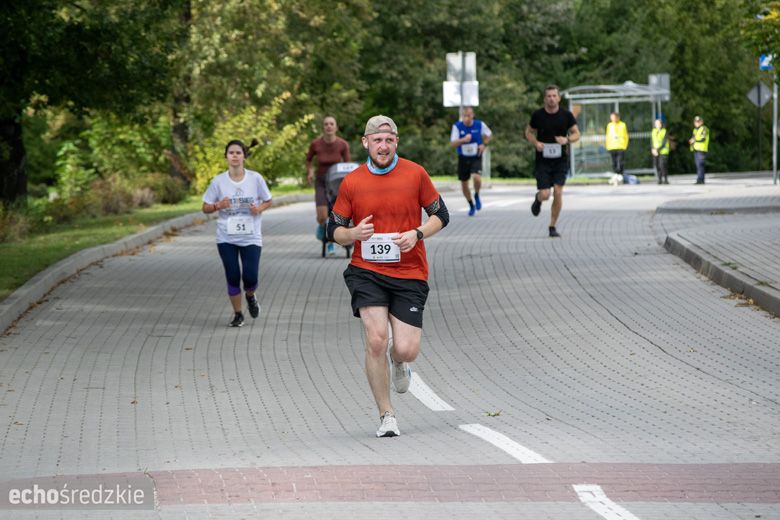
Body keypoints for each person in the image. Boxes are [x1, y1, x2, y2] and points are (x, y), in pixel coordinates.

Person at [328, 115, 450, 438]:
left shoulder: (415, 174)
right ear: (365, 143)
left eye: (389, 140)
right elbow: (334, 230)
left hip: (409, 271)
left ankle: (400, 362)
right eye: (377, 140)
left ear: (397, 142)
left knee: (407, 348)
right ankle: (387, 415)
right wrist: (353, 233)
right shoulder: (352, 182)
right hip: (366, 272)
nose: (383, 146)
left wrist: (417, 233)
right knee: (376, 339)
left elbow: (441, 215)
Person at [202, 140, 273, 327]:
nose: (234, 156)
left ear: (244, 156)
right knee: (232, 275)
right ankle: (238, 314)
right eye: (231, 152)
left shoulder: (255, 178)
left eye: (238, 152)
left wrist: (258, 209)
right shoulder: (218, 181)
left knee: (250, 277)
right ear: (226, 156)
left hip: (251, 236)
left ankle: (250, 295)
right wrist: (218, 205)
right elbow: (205, 207)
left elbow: (268, 200)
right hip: (226, 237)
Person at [525, 85, 580, 238]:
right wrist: (536, 143)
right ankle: (538, 199)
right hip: (542, 160)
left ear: (559, 98)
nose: (551, 99)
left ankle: (552, 226)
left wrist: (567, 139)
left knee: (557, 191)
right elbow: (528, 132)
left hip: (560, 160)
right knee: (545, 194)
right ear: (545, 99)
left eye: (554, 96)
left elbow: (577, 134)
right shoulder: (538, 115)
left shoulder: (566, 116)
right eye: (548, 96)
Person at [305, 116, 351, 254]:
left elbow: (348, 165)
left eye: (332, 124)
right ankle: (321, 227)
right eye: (326, 124)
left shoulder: (342, 144)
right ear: (323, 127)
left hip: (337, 183)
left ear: (336, 127)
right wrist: (310, 172)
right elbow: (308, 160)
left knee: (337, 215)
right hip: (321, 181)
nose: (329, 126)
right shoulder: (316, 144)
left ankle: (331, 242)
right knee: (322, 215)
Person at [450, 106, 492, 216]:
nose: (467, 118)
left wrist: (484, 144)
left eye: (469, 115)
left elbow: (489, 135)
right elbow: (453, 143)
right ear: (462, 116)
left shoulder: (479, 124)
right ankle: (471, 204)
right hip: (463, 157)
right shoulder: (457, 126)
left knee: (476, 177)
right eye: (464, 116)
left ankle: (477, 194)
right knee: (464, 184)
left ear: (472, 115)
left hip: (476, 155)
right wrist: (463, 140)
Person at [605, 111, 629, 182]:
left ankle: (620, 174)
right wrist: (607, 145)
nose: (613, 119)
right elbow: (607, 136)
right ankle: (615, 173)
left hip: (621, 146)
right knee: (613, 162)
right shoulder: (609, 125)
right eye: (612, 117)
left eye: (614, 117)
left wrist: (625, 145)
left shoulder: (622, 125)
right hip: (612, 146)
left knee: (620, 161)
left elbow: (626, 135)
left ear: (618, 117)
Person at [689, 115, 709, 184]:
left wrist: (694, 140)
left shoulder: (704, 128)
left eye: (698, 122)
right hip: (696, 149)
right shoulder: (695, 130)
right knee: (698, 165)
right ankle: (699, 179)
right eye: (695, 122)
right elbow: (693, 138)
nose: (697, 123)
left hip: (701, 149)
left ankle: (701, 179)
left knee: (700, 164)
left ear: (701, 122)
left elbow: (703, 139)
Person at [651, 118, 670, 184]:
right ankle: (659, 179)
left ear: (661, 124)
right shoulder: (653, 131)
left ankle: (665, 179)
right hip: (655, 151)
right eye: (656, 123)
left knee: (663, 165)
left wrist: (657, 149)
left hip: (663, 151)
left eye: (658, 123)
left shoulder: (664, 131)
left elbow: (664, 142)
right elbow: (652, 141)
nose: (657, 125)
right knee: (657, 165)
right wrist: (653, 149)